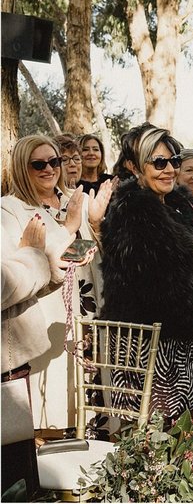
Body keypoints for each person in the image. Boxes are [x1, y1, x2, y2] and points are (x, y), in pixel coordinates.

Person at [98, 124, 193, 420]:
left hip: (182, 335)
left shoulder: (180, 205)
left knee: (191, 434)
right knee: (159, 440)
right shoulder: (130, 210)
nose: (169, 170)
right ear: (135, 167)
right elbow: (151, 280)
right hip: (149, 344)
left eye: (173, 161)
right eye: (159, 163)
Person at [2, 135, 107, 430]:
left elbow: (97, 251)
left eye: (54, 161)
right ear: (22, 168)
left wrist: (95, 223)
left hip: (87, 307)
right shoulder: (9, 210)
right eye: (38, 164)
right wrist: (69, 228)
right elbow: (20, 264)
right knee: (56, 402)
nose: (49, 169)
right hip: (49, 313)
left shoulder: (74, 199)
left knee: (90, 393)